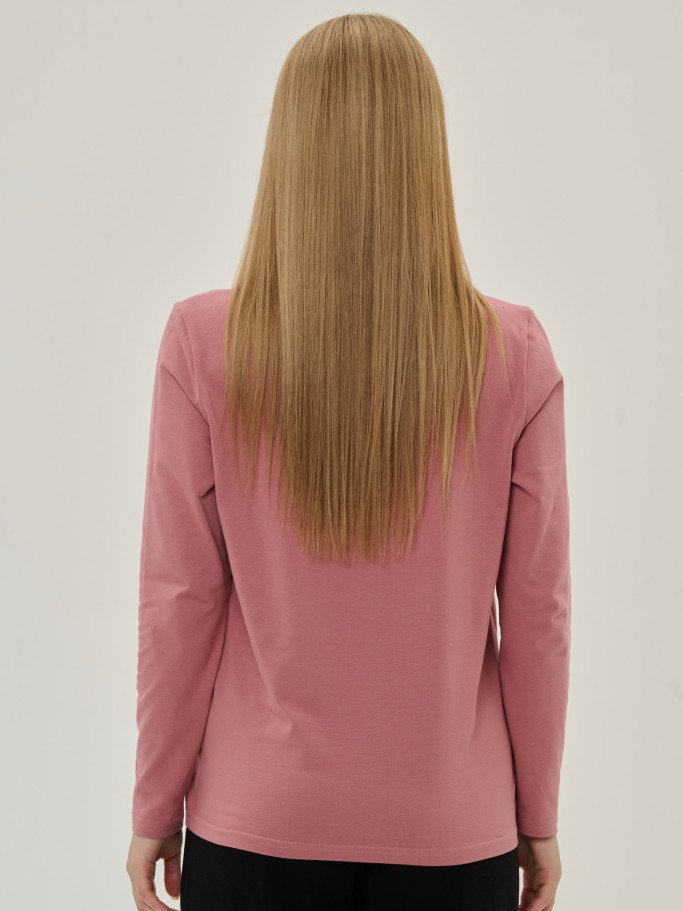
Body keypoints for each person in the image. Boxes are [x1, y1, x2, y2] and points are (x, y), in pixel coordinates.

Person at [125, 13, 571, 911]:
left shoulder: (205, 343)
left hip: (255, 826)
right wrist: (537, 813)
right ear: (425, 154)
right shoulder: (513, 352)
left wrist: (153, 805)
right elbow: (537, 615)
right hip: (453, 832)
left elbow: (179, 601)